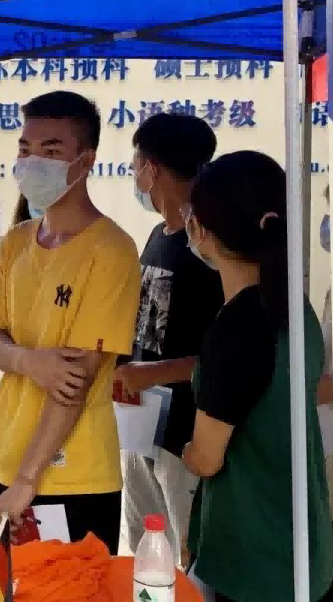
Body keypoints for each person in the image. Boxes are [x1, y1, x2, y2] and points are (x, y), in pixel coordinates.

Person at [0, 91, 141, 550]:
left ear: (85, 162)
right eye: (25, 149)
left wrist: (27, 480)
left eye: (51, 151)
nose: (32, 163)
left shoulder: (111, 251)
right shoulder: (15, 243)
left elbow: (74, 382)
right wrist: (29, 362)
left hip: (71, 477)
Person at [180, 150, 333, 602]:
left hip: (253, 557)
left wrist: (185, 451)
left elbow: (207, 458)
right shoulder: (297, 310)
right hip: (305, 545)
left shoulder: (238, 325)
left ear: (201, 229)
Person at [105, 112, 222, 553]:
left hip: (188, 438)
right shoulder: (158, 235)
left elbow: (226, 355)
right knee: (146, 554)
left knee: (189, 555)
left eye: (136, 164)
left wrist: (152, 373)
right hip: (142, 427)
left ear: (151, 169)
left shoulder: (210, 248)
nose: (135, 175)